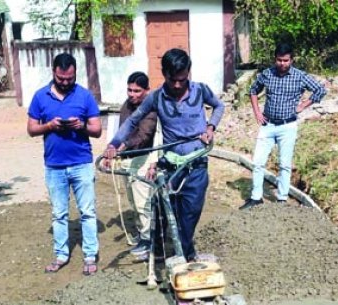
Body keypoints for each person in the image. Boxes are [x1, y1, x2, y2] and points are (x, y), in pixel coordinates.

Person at [108, 48, 225, 262]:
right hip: (171, 166)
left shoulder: (200, 91)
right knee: (168, 210)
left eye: (182, 79)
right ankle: (170, 252)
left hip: (196, 163)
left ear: (189, 72)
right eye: (173, 80)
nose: (178, 85)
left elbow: (219, 106)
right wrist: (115, 144)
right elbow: (133, 121)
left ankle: (186, 254)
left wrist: (210, 128)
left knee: (190, 213)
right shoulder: (156, 98)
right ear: (164, 74)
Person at [26, 52, 102, 275]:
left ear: (75, 73)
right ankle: (61, 255)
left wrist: (81, 126)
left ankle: (89, 255)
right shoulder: (40, 96)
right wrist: (49, 126)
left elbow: (97, 130)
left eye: (70, 78)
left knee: (87, 212)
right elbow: (31, 129)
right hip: (54, 166)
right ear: (54, 73)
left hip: (81, 164)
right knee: (59, 214)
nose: (66, 82)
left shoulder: (85, 96)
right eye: (61, 78)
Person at [240, 42, 327, 210]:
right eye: (279, 60)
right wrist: (257, 112)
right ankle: (256, 198)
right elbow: (253, 90)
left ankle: (281, 199)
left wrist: (303, 105)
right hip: (268, 124)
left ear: (292, 60)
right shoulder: (267, 74)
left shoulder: (300, 76)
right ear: (275, 59)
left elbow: (320, 90)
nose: (282, 64)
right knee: (258, 162)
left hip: (288, 126)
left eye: (286, 60)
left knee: (284, 164)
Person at [104, 72, 159, 258]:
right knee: (133, 201)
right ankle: (141, 234)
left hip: (143, 158)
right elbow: (121, 131)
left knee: (143, 202)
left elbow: (144, 135)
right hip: (127, 159)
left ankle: (148, 241)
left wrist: (123, 146)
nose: (132, 94)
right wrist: (111, 148)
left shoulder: (151, 108)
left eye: (137, 91)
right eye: (130, 90)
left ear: (146, 90)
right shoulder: (126, 106)